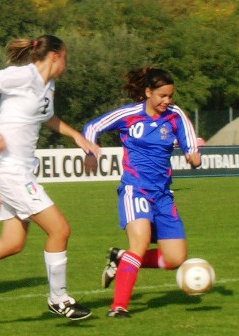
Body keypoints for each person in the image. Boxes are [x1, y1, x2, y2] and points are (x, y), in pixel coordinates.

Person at [0, 34, 100, 320]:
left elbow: (46, 117)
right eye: (67, 58)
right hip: (9, 169)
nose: (67, 64)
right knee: (60, 230)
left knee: (13, 242)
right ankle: (59, 299)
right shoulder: (23, 75)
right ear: (56, 56)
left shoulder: (48, 85)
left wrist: (77, 136)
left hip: (20, 169)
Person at [83, 67, 201, 318]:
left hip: (163, 196)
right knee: (140, 242)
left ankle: (121, 258)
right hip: (134, 190)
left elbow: (190, 144)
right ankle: (119, 307)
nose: (167, 101)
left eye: (170, 96)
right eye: (162, 96)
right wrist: (91, 152)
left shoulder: (175, 115)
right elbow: (93, 128)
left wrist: (193, 155)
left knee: (175, 259)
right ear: (148, 92)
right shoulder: (130, 114)